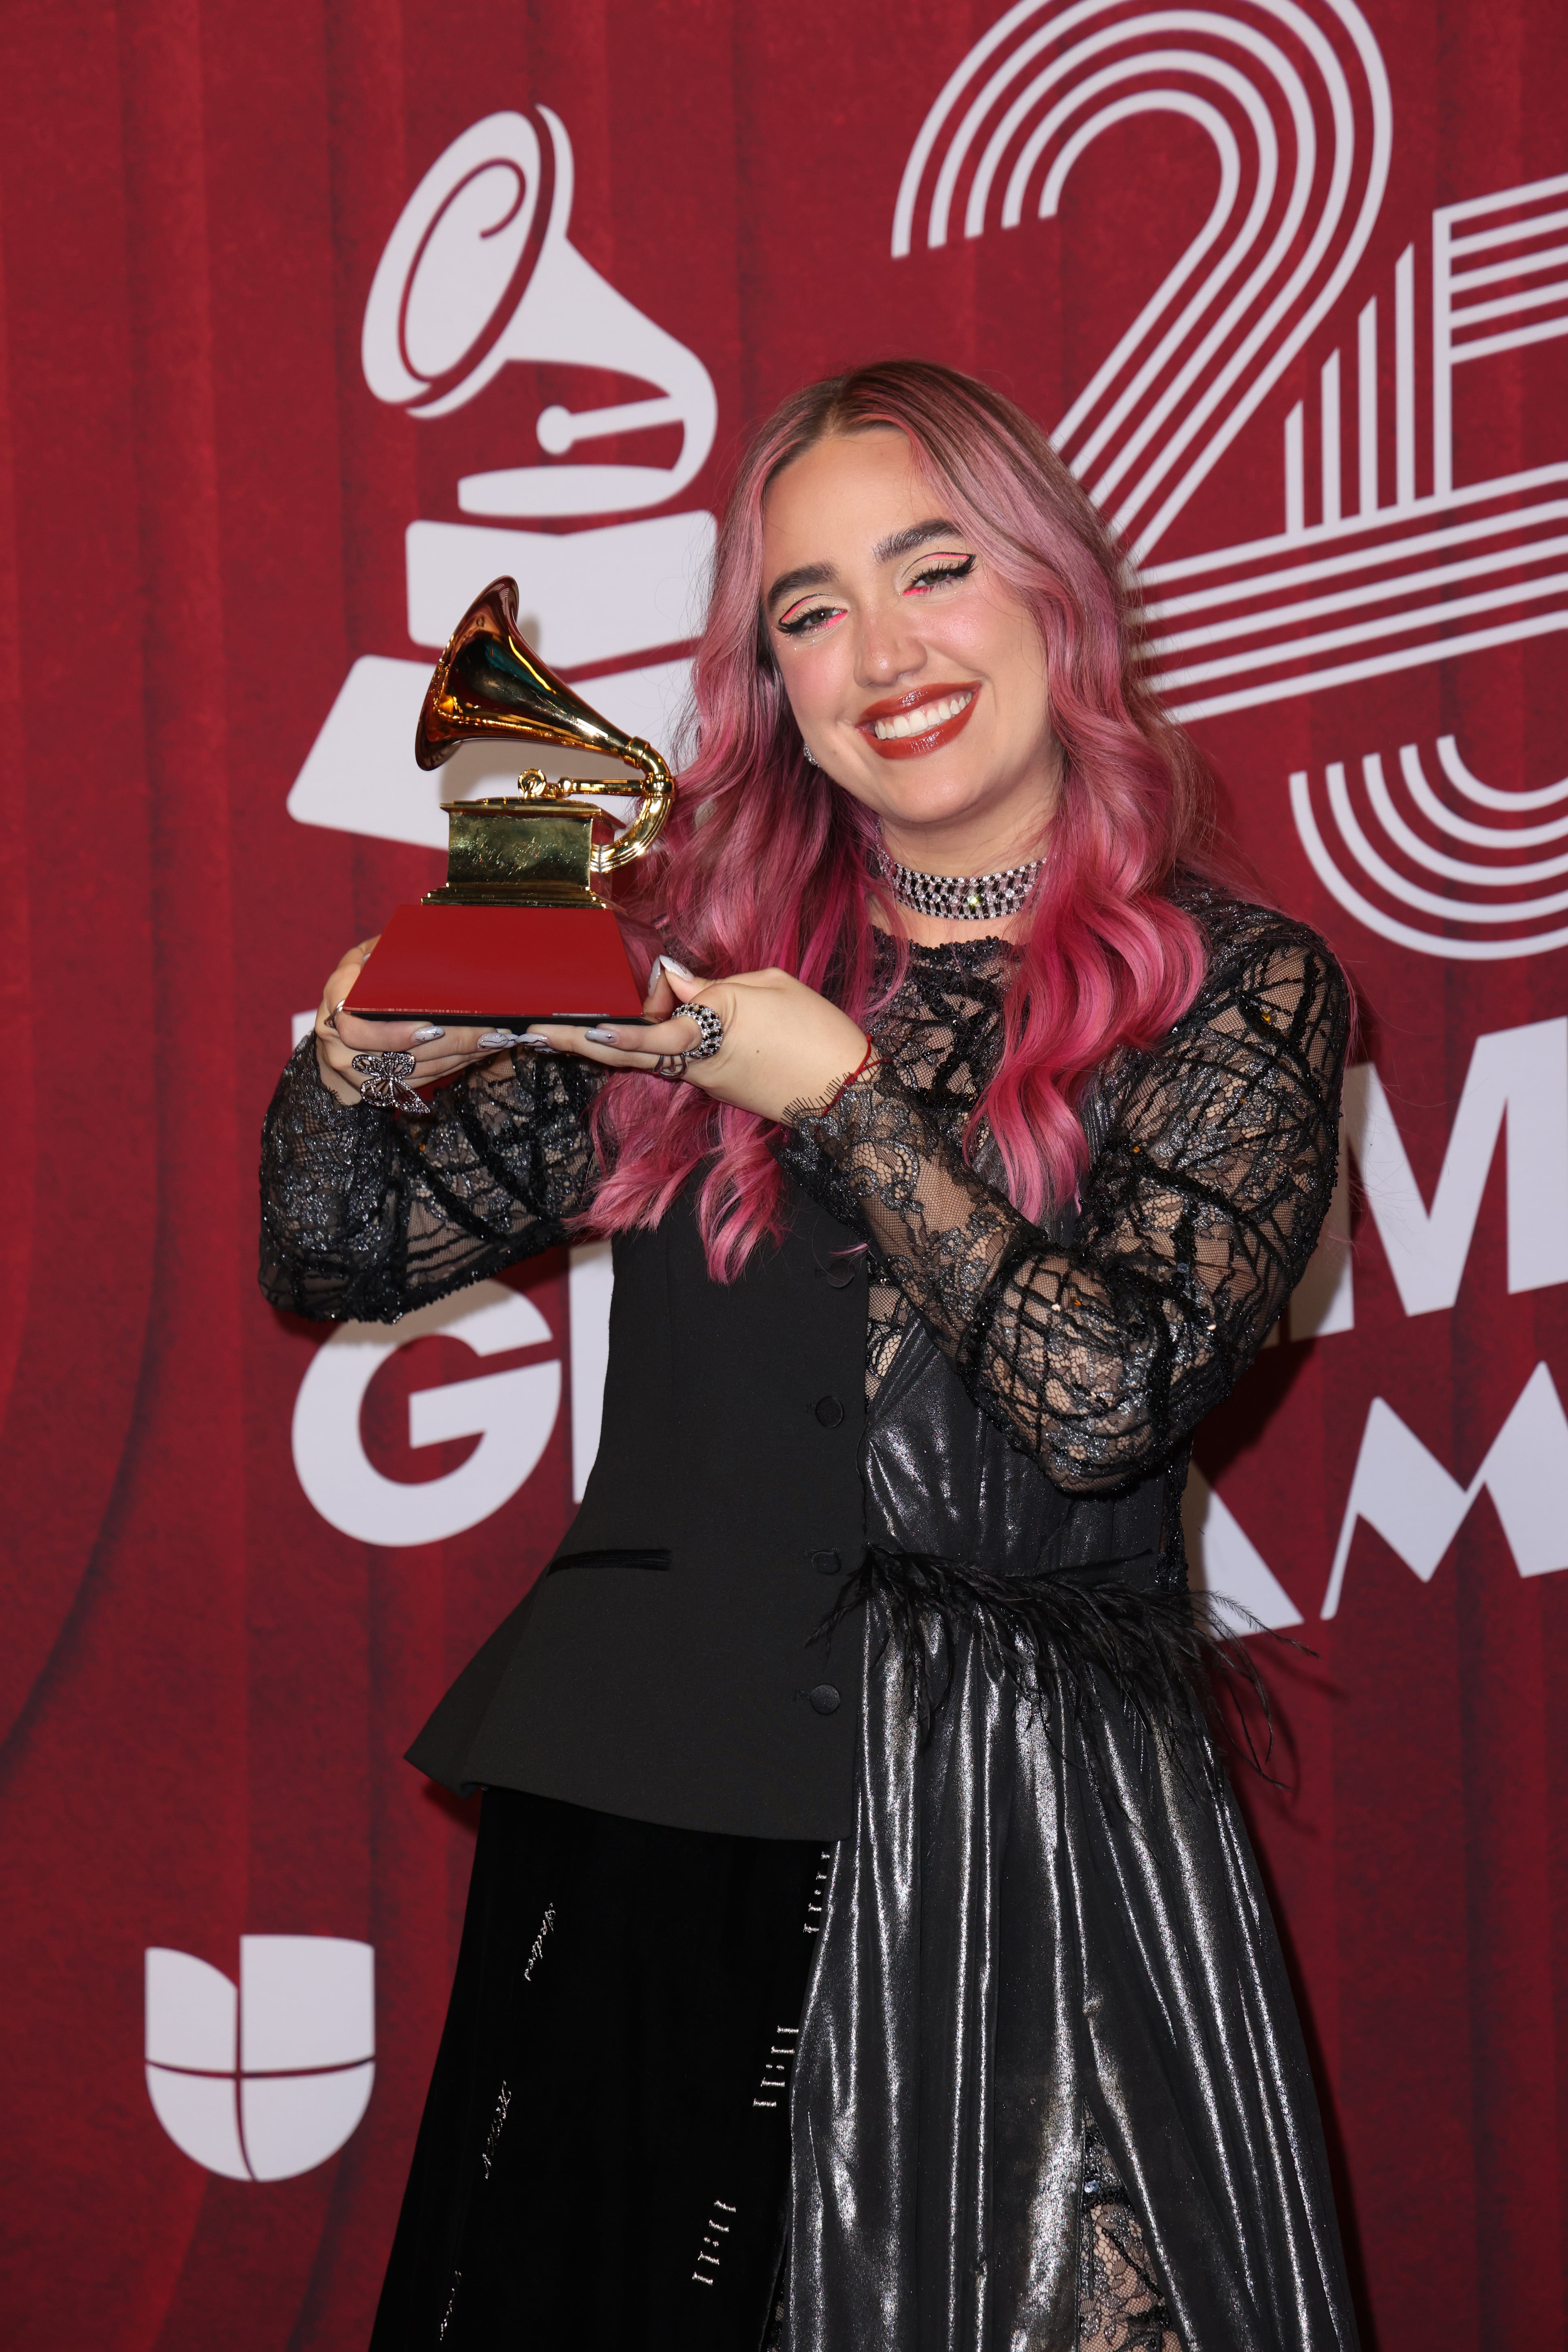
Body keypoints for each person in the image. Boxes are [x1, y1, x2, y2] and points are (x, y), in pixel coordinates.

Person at [260, 359, 1357, 2352]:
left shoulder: (1239, 987)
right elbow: (328, 1250)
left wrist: (838, 1093)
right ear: (768, 679)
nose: (883, 650)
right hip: (648, 1811)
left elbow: (1108, 1394)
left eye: (933, 570)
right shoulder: (681, 953)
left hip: (1016, 1849)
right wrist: (353, 1057)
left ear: (1051, 596)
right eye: (809, 607)